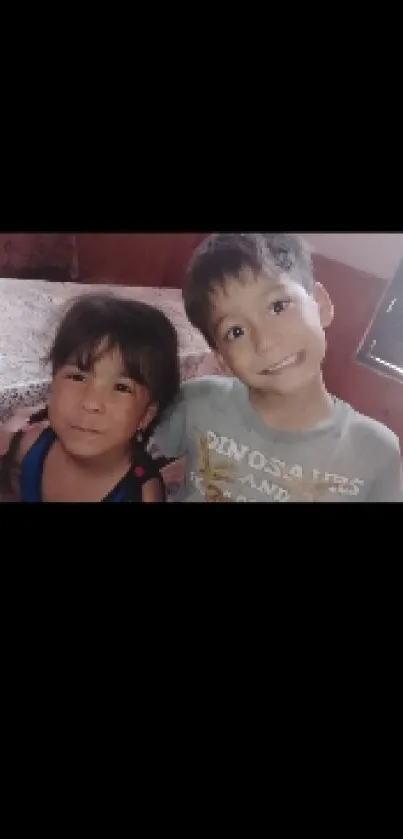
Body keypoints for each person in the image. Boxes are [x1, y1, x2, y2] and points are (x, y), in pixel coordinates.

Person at [152, 233, 403, 502]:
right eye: (235, 331)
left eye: (278, 306)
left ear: (320, 304)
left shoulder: (375, 450)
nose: (266, 342)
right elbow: (124, 460)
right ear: (221, 357)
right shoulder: (196, 402)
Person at [0, 293, 180, 502]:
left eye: (121, 387)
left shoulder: (142, 495)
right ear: (53, 382)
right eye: (77, 377)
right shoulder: (27, 446)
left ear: (146, 415)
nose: (91, 403)